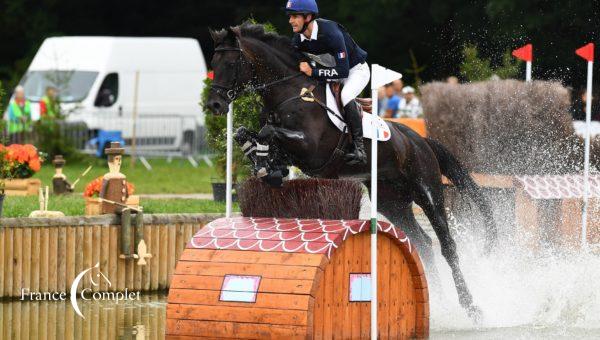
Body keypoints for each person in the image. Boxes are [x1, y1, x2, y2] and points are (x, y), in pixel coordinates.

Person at [287, 0, 370, 165]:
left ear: (308, 17)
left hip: (355, 71)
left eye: (295, 16)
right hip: (332, 73)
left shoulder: (331, 34)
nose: (290, 21)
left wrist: (313, 72)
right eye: (290, 16)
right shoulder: (298, 40)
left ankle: (359, 149)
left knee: (346, 95)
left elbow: (343, 71)